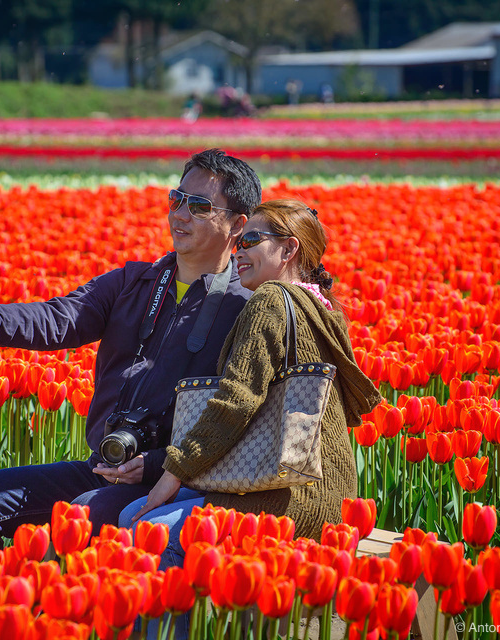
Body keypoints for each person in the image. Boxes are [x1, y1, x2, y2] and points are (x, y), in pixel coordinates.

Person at [0, 148, 261, 640]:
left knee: (85, 513)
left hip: (171, 480)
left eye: (198, 206)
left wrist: (157, 464)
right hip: (106, 464)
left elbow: (238, 416)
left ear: (237, 226)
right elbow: (57, 318)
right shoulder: (134, 282)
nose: (179, 214)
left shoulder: (245, 306)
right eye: (176, 198)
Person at [119, 199, 382, 635]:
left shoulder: (271, 301)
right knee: (133, 516)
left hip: (283, 499)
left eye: (252, 241)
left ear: (289, 250)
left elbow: (235, 400)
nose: (238, 250)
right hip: (326, 494)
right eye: (239, 241)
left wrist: (175, 471)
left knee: (151, 532)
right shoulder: (324, 309)